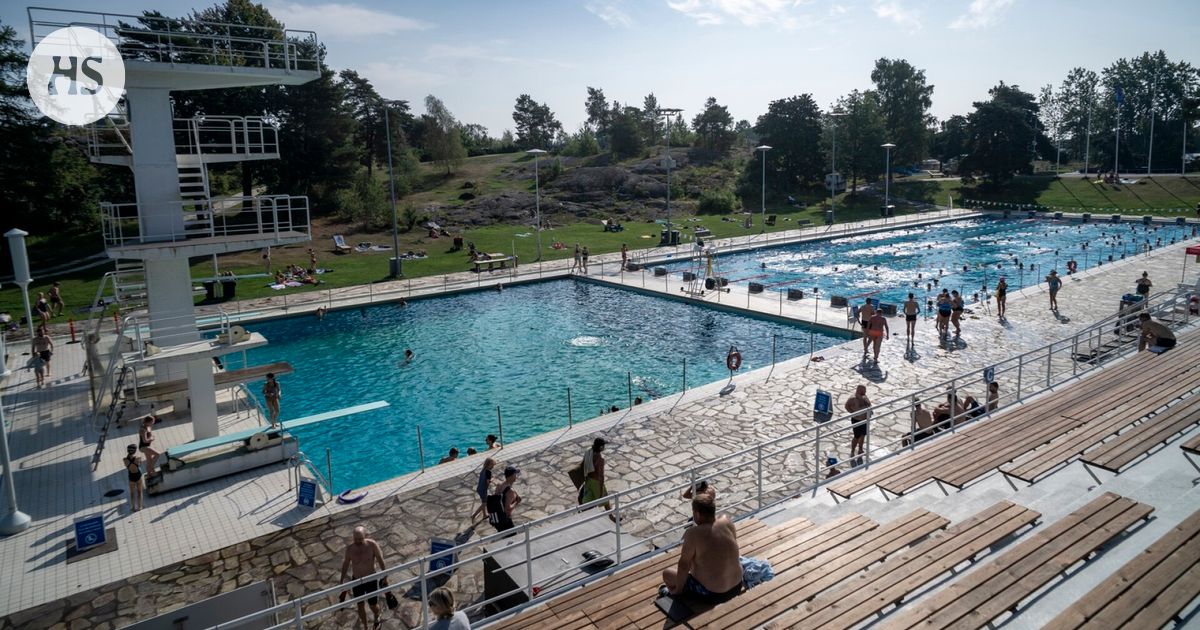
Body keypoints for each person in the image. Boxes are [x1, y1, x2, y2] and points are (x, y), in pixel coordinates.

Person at [660, 494, 743, 604]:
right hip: (737, 585)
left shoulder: (693, 533)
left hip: (714, 594)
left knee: (667, 574)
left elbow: (684, 566)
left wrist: (678, 590)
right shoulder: (726, 521)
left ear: (697, 514)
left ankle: (679, 594)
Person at [339, 526, 386, 630]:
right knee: (360, 605)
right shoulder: (350, 549)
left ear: (365, 536)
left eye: (360, 539)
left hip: (371, 579)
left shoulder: (372, 545)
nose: (358, 541)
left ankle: (376, 615)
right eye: (356, 539)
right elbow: (346, 564)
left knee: (373, 605)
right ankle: (365, 627)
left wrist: (385, 575)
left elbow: (380, 559)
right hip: (357, 580)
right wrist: (342, 579)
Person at [579, 438, 611, 511]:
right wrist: (601, 489)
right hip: (596, 482)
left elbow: (584, 465)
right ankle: (611, 516)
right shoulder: (600, 459)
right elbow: (601, 476)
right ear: (601, 447)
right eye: (604, 445)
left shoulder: (589, 453)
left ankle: (585, 517)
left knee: (586, 501)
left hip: (588, 480)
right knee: (605, 500)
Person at [488, 466, 521, 533]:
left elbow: (496, 498)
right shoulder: (510, 491)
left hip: (498, 518)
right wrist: (517, 502)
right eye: (515, 474)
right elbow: (507, 509)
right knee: (513, 539)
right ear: (511, 476)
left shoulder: (499, 484)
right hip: (505, 521)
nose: (516, 476)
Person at [844, 385, 871, 466]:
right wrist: (853, 413)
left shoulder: (864, 397)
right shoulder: (853, 398)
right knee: (857, 436)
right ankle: (852, 450)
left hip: (864, 420)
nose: (865, 393)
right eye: (864, 391)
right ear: (860, 391)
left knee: (863, 435)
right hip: (856, 420)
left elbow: (869, 404)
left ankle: (860, 449)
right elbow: (846, 406)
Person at [471, 458, 495, 522]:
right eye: (492, 465)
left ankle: (484, 515)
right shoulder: (489, 472)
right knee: (484, 503)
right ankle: (474, 515)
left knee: (483, 501)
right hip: (483, 489)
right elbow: (488, 482)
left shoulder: (483, 470)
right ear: (489, 464)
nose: (493, 466)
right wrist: (492, 479)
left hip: (479, 488)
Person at [124, 444, 143, 512]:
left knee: (132, 493)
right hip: (138, 475)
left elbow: (127, 467)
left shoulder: (125, 459)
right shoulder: (138, 457)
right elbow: (140, 464)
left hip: (131, 476)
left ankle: (133, 507)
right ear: (135, 451)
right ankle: (140, 506)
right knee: (139, 492)